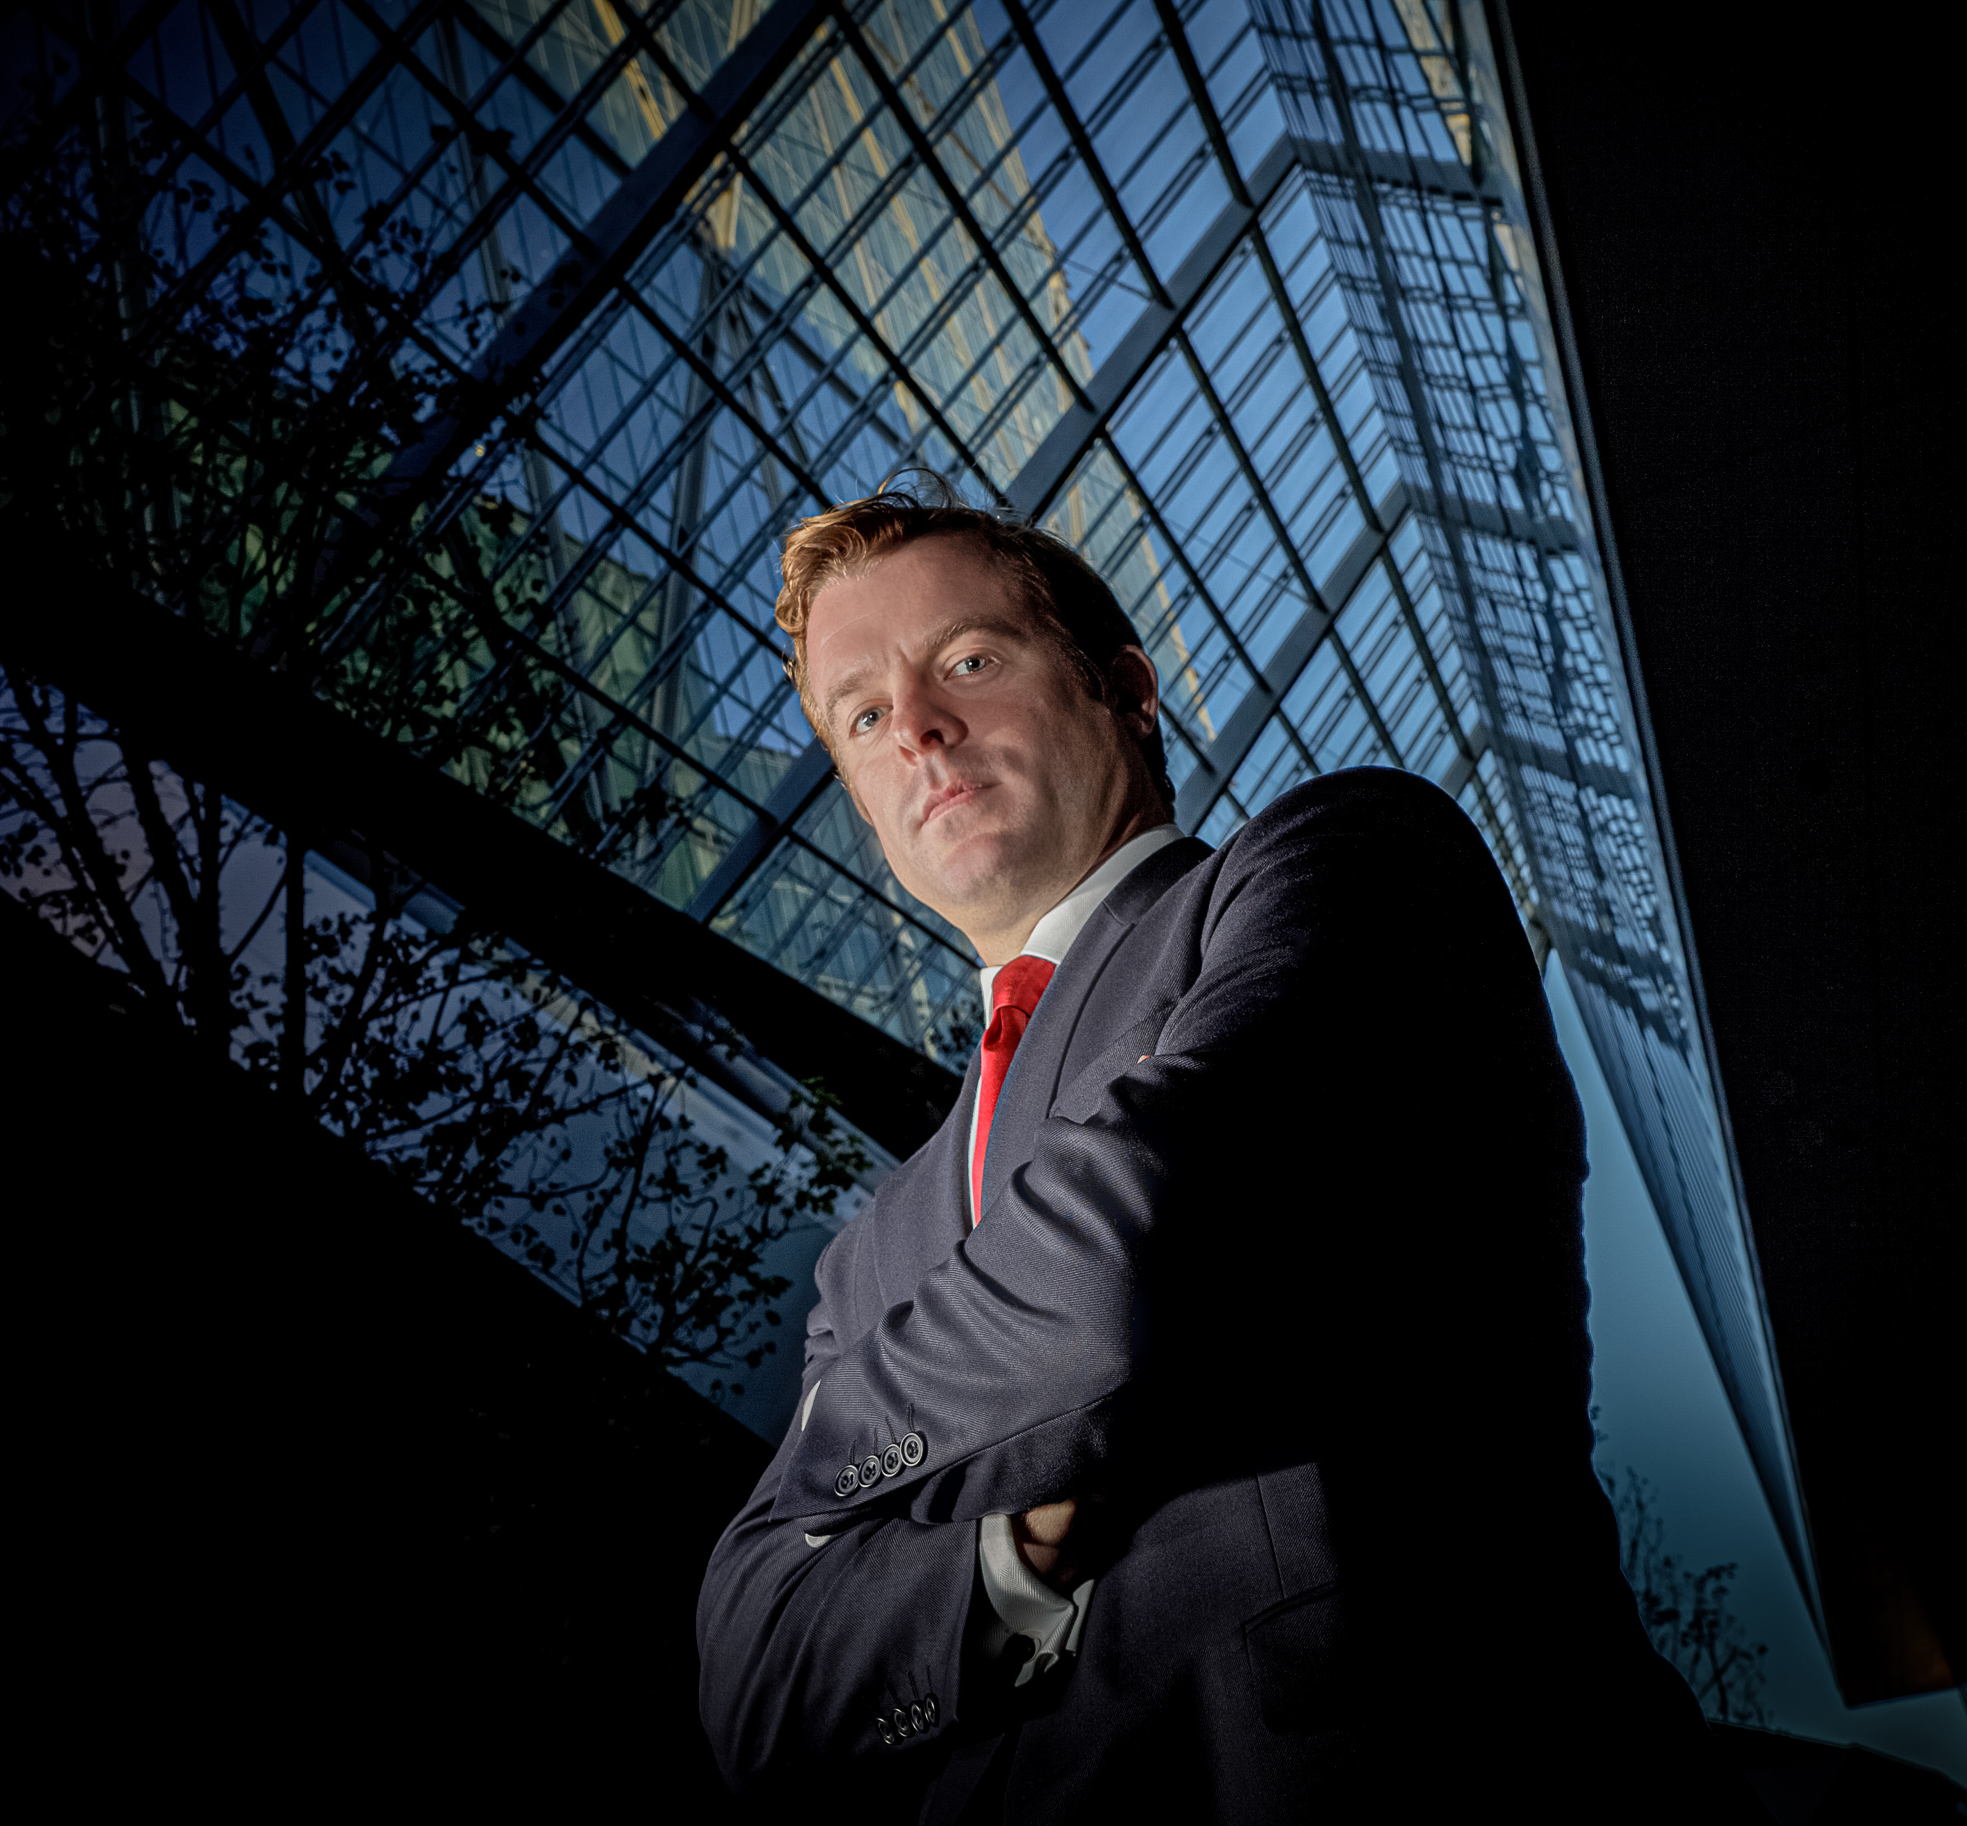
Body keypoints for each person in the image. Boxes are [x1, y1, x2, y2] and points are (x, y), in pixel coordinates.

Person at [696, 485, 1735, 1820]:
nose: (919, 729)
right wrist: (1008, 1555)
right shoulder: (866, 1258)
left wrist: (818, 1475)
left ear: (1123, 686)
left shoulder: (1346, 861)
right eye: (862, 714)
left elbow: (1123, 1255)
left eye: (965, 660)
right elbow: (751, 1683)